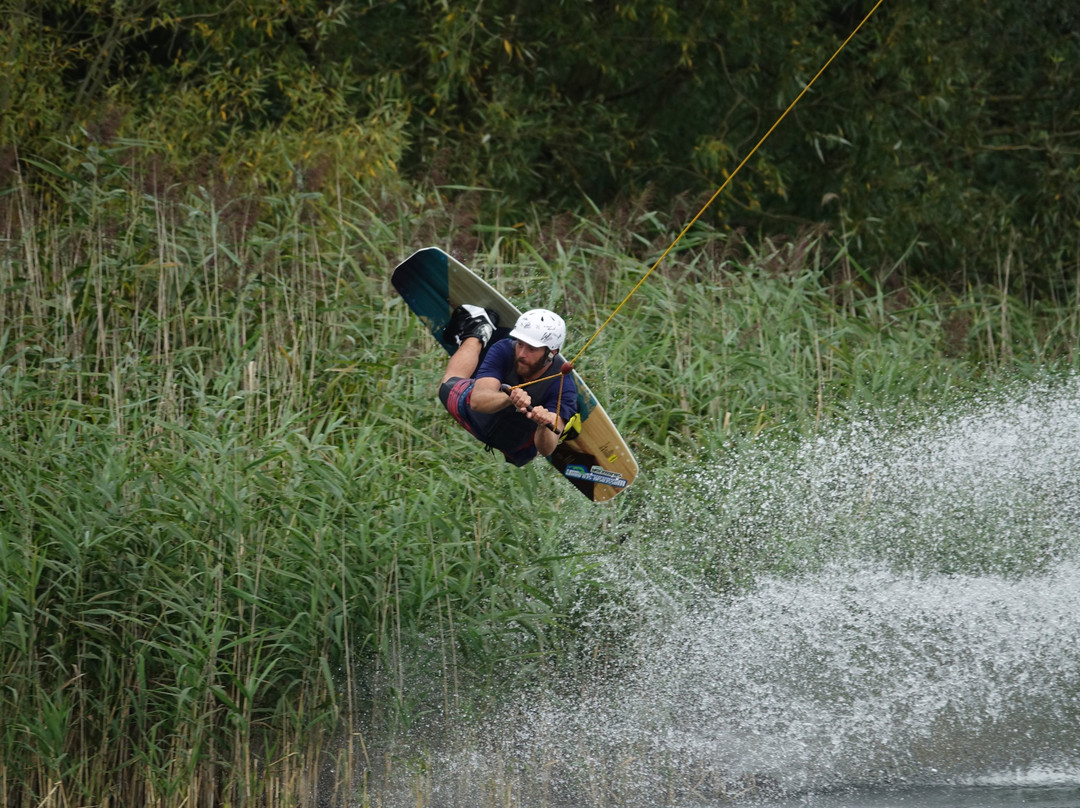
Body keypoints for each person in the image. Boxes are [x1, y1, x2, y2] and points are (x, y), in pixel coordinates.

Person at [438, 304, 578, 466]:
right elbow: (477, 402)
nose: (521, 354)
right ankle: (477, 330)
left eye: (531, 349)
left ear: (551, 353)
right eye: (520, 344)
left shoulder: (563, 387)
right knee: (446, 385)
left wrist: (543, 426)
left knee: (537, 449)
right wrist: (509, 397)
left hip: (515, 448)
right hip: (473, 416)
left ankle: (569, 415)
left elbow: (547, 449)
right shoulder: (504, 349)